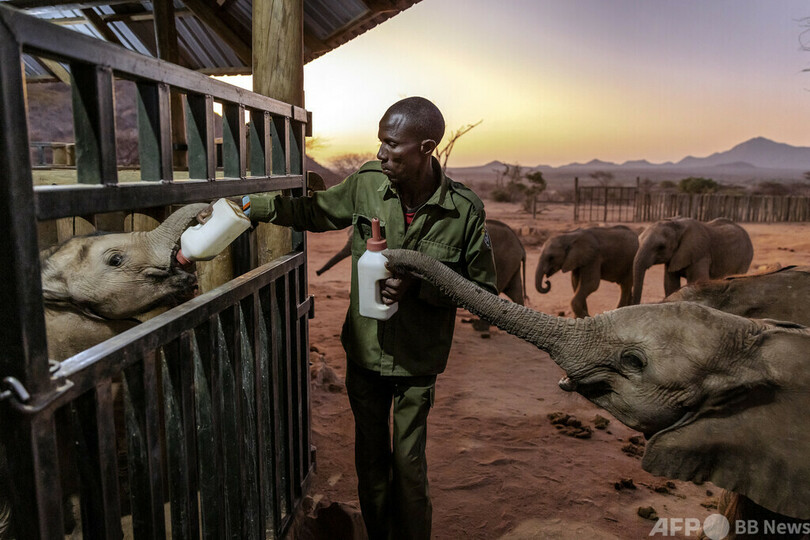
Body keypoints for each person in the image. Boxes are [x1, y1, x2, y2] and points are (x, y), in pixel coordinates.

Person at [242, 96, 497, 540]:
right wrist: (256, 208)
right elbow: (316, 212)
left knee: (409, 466)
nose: (380, 153)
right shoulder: (366, 183)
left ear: (427, 147)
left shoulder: (464, 211)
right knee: (372, 465)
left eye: (392, 145)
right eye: (380, 141)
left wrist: (422, 286)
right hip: (364, 353)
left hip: (418, 363)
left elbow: (485, 295)